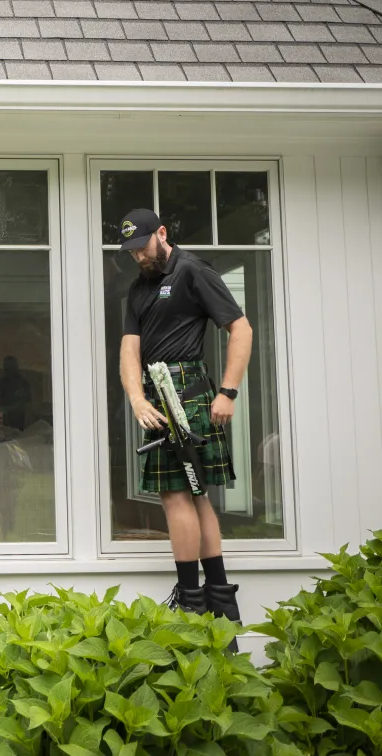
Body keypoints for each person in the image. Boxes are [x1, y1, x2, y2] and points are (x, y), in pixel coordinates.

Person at [117, 207, 252, 636]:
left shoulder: (193, 272)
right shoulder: (138, 290)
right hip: (157, 396)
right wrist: (137, 397)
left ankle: (192, 603)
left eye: (142, 246)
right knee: (190, 497)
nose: (138, 256)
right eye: (131, 251)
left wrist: (227, 391)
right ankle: (218, 601)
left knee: (182, 497)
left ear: (161, 233)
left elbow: (241, 328)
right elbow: (128, 351)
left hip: (188, 389)